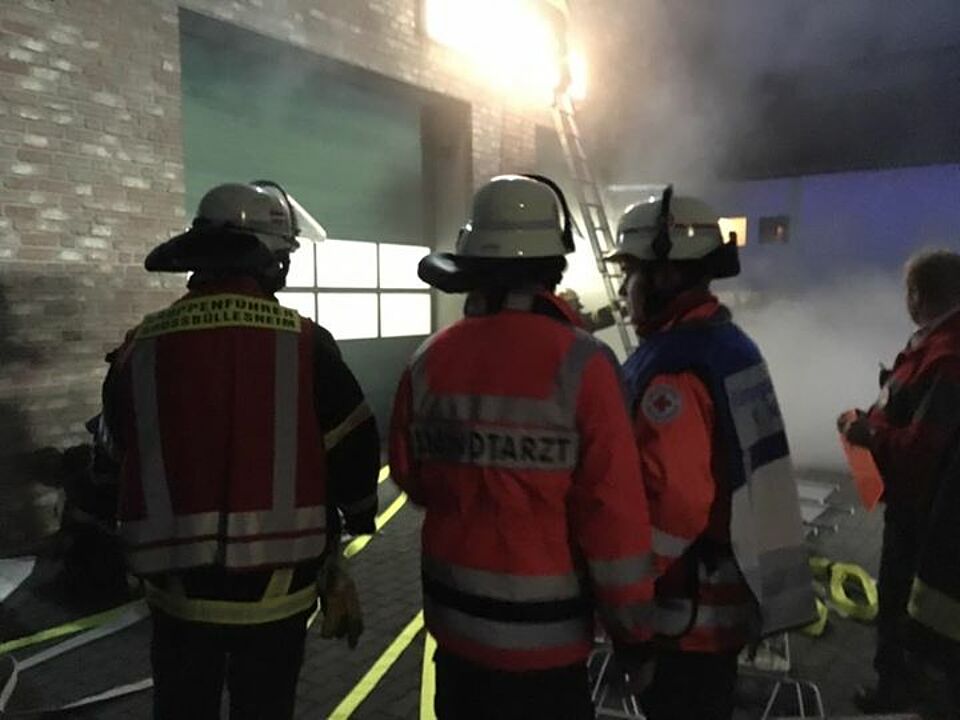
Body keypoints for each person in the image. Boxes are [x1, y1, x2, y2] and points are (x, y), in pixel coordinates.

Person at [102, 181, 379, 719]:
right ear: (271, 261)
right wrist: (358, 518)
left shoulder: (142, 344)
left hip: (175, 590)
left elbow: (113, 454)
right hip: (277, 591)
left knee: (181, 709)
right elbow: (353, 446)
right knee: (264, 707)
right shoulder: (304, 342)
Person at [390, 174, 655, 720]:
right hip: (547, 652)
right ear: (553, 266)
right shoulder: (585, 364)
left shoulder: (428, 360)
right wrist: (634, 636)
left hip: (456, 637)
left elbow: (410, 476)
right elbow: (612, 517)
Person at [606, 187, 816, 720]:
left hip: (683, 614)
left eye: (630, 272)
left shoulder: (674, 370)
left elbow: (675, 504)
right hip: (725, 600)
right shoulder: (728, 346)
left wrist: (623, 587)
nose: (625, 289)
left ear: (665, 275)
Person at [839, 248, 960, 714]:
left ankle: (902, 688)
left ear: (917, 295)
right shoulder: (934, 344)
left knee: (902, 602)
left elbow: (922, 450)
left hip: (924, 517)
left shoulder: (946, 356)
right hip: (925, 510)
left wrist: (868, 434)